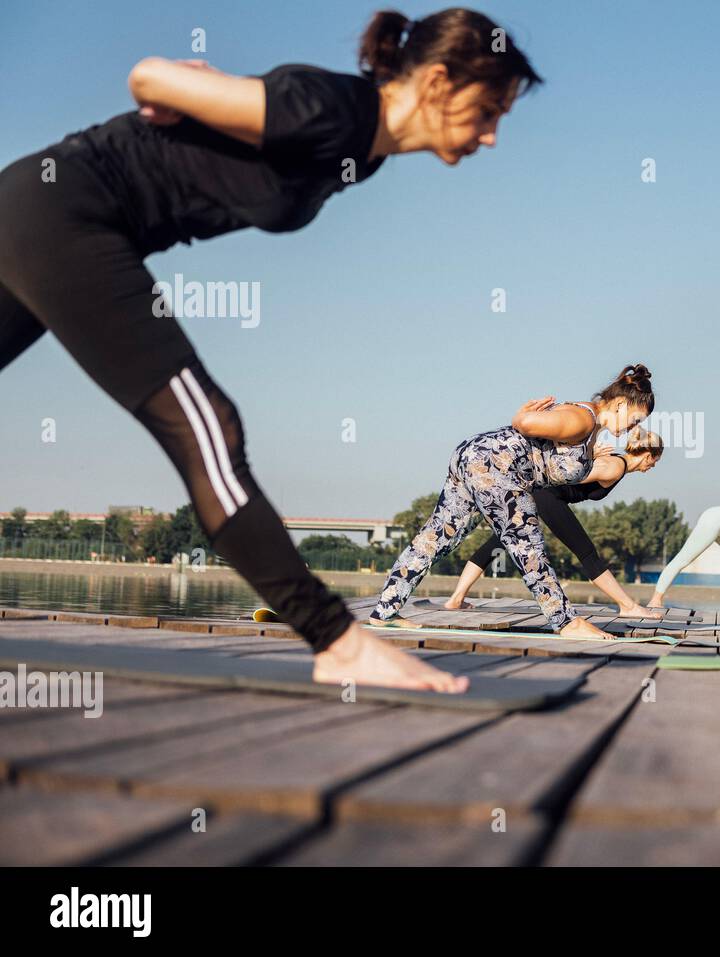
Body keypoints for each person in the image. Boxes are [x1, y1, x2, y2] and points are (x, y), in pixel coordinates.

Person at [0, 8, 543, 692]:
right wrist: (180, 81)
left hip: (38, 210)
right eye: (489, 108)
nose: (492, 134)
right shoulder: (330, 108)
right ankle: (334, 637)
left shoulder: (363, 153)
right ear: (437, 81)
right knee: (209, 428)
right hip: (67, 213)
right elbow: (146, 73)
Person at [370, 366, 655, 639]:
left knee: (435, 537)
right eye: (636, 419)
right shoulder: (583, 419)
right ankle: (567, 622)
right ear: (619, 404)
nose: (634, 427)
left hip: (476, 458)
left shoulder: (590, 426)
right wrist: (523, 416)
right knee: (528, 547)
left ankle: (385, 610)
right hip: (498, 468)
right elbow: (526, 424)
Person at [445, 428, 666, 617]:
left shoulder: (615, 463)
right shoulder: (615, 467)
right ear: (647, 454)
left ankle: (456, 598)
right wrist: (588, 457)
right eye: (655, 461)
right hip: (548, 497)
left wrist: (588, 456)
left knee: (498, 542)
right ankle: (627, 606)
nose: (653, 466)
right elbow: (566, 474)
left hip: (539, 496)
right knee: (587, 553)